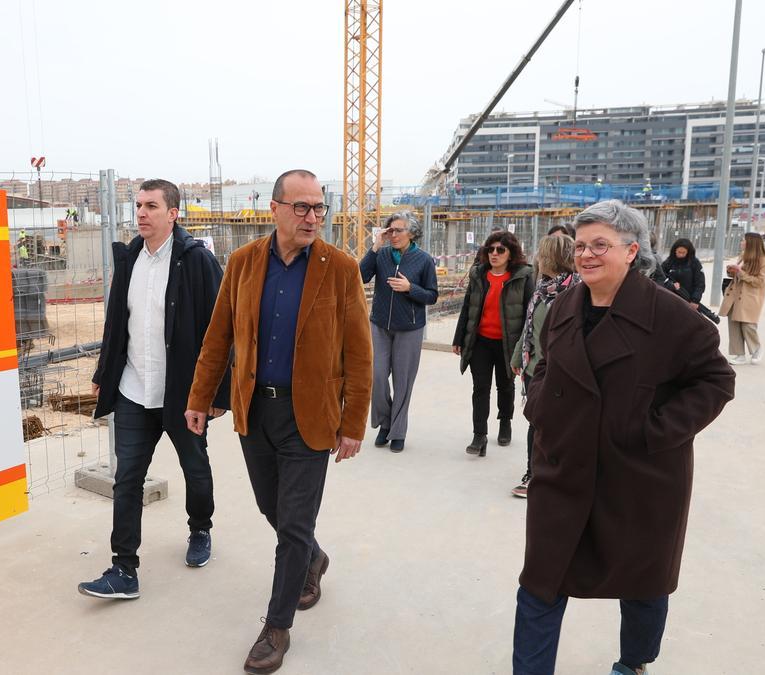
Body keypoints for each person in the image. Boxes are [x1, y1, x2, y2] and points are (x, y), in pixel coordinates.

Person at [514, 200, 735, 675]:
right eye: (581, 246)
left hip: (639, 476)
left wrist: (654, 432)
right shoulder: (565, 306)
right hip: (564, 469)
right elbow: (545, 366)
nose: (587, 255)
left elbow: (716, 380)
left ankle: (633, 663)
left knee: (642, 583)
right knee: (540, 583)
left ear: (632, 251)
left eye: (601, 245)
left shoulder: (671, 315)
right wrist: (540, 407)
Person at [185, 169, 371, 674]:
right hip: (255, 411)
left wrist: (354, 422)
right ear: (275, 208)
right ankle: (313, 557)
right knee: (273, 507)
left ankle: (277, 626)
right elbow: (218, 337)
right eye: (302, 207)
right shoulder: (244, 263)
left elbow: (359, 352)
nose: (313, 217)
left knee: (291, 524)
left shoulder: (340, 268)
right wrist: (200, 398)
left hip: (310, 416)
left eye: (319, 208)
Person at [78, 179, 230, 600]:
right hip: (133, 389)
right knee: (127, 477)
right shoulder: (129, 259)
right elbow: (117, 325)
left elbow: (222, 331)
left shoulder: (196, 261)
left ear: (173, 213)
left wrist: (215, 395)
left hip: (183, 395)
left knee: (195, 470)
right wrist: (103, 372)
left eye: (151, 206)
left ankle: (200, 529)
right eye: (138, 205)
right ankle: (123, 568)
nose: (141, 213)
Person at [360, 211, 439, 452]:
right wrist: (375, 246)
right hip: (380, 325)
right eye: (390, 230)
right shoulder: (382, 255)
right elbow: (361, 276)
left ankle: (397, 431)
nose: (393, 235)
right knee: (377, 377)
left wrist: (410, 288)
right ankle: (384, 422)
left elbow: (432, 296)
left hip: (410, 329)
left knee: (403, 382)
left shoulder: (424, 260)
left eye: (398, 230)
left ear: (412, 233)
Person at [508, 234, 579, 498]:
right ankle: (534, 474)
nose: (537, 257)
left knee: (560, 425)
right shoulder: (543, 288)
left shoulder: (576, 291)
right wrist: (518, 357)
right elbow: (529, 327)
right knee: (536, 421)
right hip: (534, 370)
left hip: (561, 372)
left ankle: (558, 475)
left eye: (542, 253)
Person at [452, 230, 534, 457]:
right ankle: (479, 436)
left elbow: (530, 311)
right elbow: (468, 307)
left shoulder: (523, 276)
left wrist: (526, 346)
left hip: (509, 342)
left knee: (505, 386)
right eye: (490, 249)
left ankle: (505, 422)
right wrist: (459, 338)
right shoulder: (479, 274)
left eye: (500, 250)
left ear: (511, 253)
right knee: (480, 388)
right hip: (481, 342)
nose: (494, 254)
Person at [719, 232, 765, 365]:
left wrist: (740, 272)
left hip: (750, 297)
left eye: (743, 240)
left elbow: (760, 282)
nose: (741, 242)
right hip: (735, 295)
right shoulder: (743, 256)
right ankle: (739, 355)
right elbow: (738, 275)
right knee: (734, 325)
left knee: (748, 325)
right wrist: (731, 271)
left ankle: (756, 349)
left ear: (751, 244)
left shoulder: (764, 260)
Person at [660, 238, 705, 310]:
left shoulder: (694, 263)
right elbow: (660, 277)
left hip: (688, 300)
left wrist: (695, 300)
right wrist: (671, 284)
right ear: (675, 251)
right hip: (670, 300)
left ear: (688, 252)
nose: (680, 255)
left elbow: (700, 283)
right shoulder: (668, 262)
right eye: (679, 252)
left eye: (683, 253)